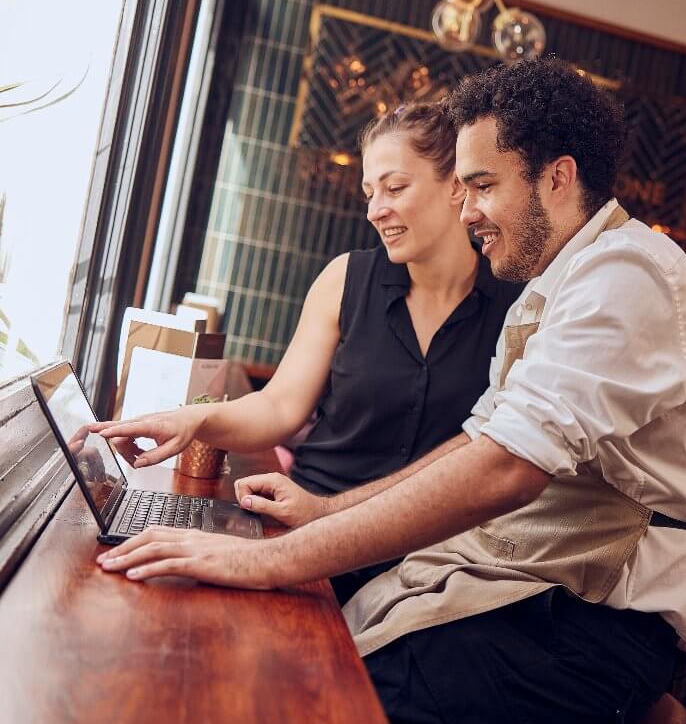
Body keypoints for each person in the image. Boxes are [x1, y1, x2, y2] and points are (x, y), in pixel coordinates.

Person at [96, 58, 686, 724]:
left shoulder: (626, 277)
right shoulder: (556, 288)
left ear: (558, 177)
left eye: (484, 186)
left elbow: (503, 467)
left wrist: (266, 561)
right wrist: (326, 514)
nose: (468, 210)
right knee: (307, 674)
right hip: (541, 589)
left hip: (600, 624)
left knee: (326, 722)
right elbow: (479, 442)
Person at [91, 101, 520, 603]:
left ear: (456, 188)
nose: (375, 210)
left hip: (425, 560)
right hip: (300, 523)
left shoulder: (516, 307)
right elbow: (279, 407)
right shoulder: (345, 279)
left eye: (395, 188)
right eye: (370, 193)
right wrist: (193, 420)